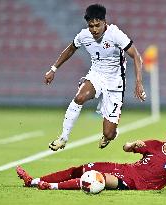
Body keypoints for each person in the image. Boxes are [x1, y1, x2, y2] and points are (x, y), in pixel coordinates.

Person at [16, 120, 166, 192]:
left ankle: (49, 186)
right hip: (124, 169)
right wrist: (133, 144)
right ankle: (33, 181)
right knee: (81, 169)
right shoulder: (154, 144)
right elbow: (126, 148)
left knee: (95, 179)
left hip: (132, 183)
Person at [44, 4, 146, 151]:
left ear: (105, 21)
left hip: (115, 82)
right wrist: (53, 69)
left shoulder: (115, 34)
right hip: (96, 75)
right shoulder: (84, 35)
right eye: (91, 26)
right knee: (79, 97)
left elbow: (136, 55)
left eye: (97, 25)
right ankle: (63, 137)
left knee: (109, 133)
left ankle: (109, 134)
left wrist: (139, 82)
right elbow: (71, 48)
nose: (94, 30)